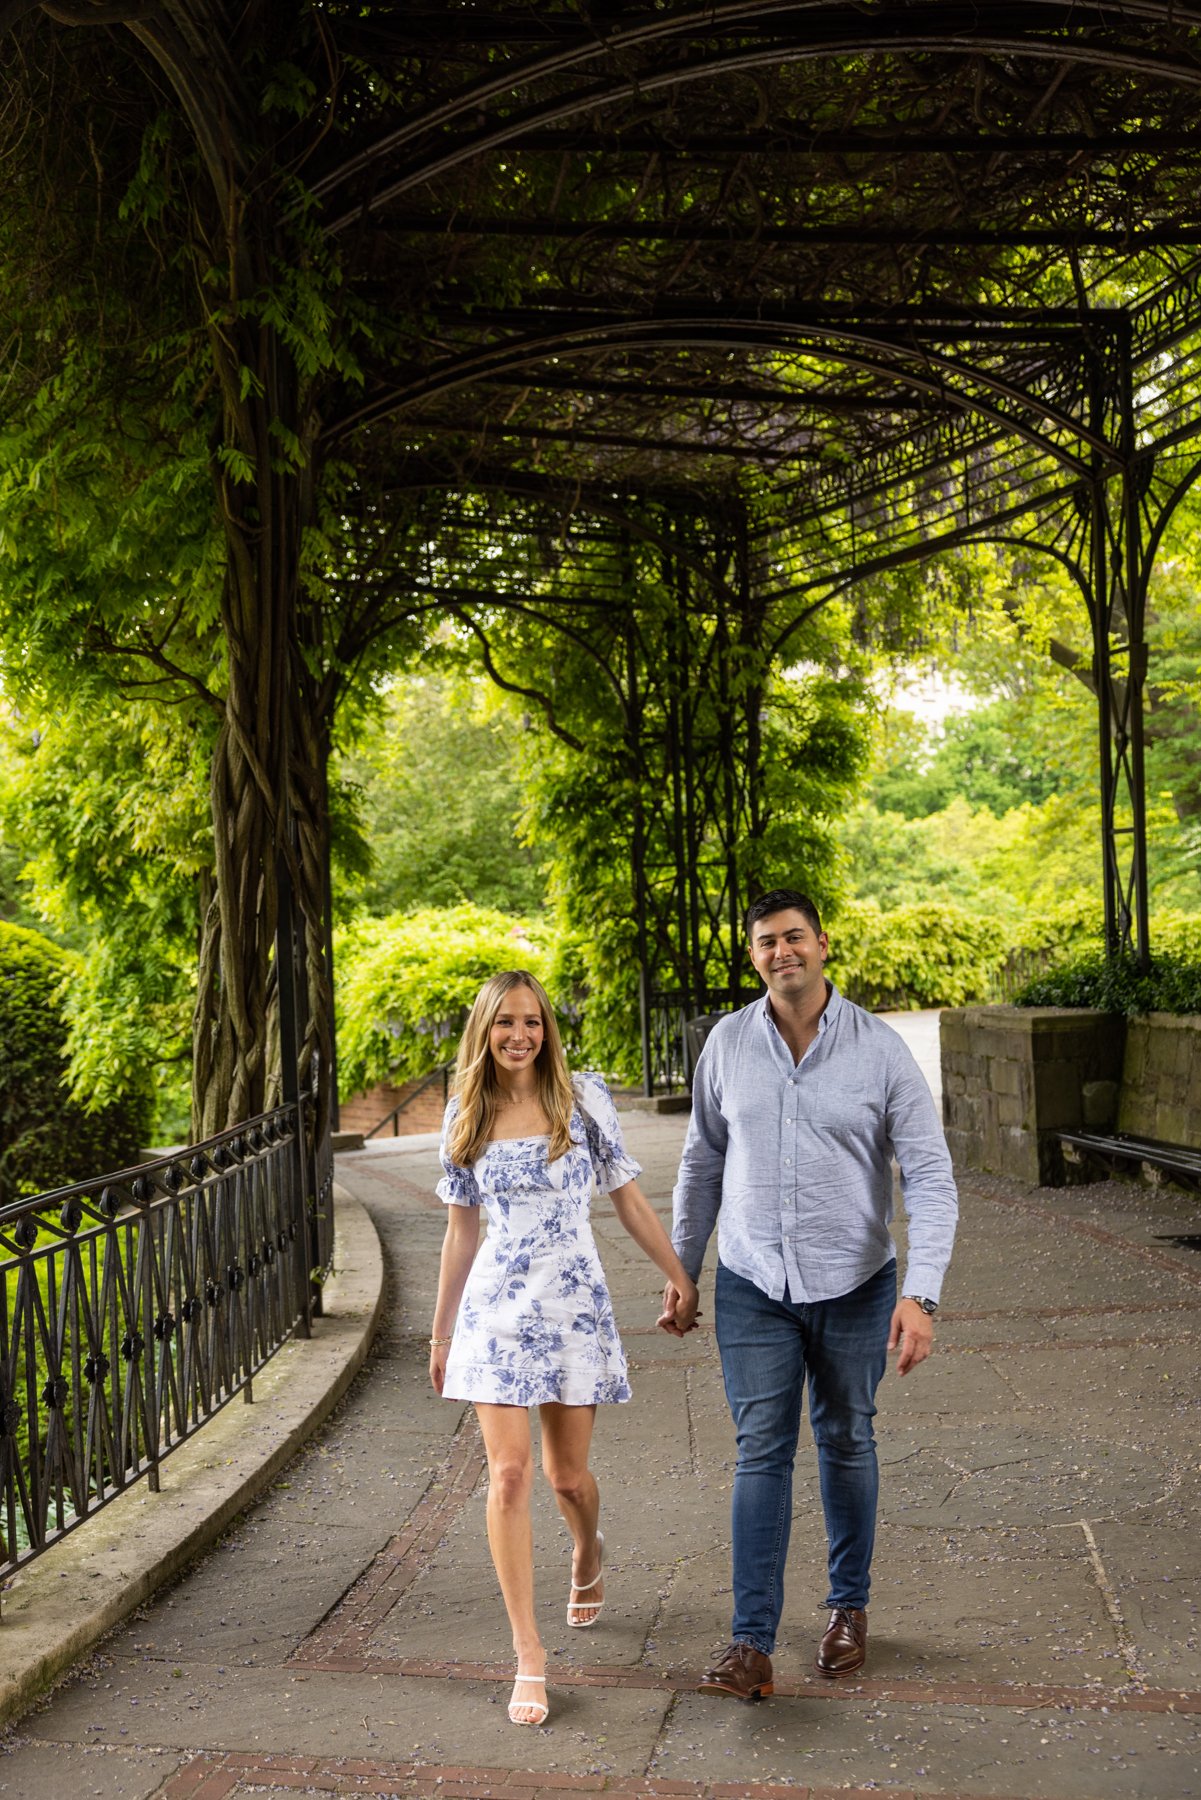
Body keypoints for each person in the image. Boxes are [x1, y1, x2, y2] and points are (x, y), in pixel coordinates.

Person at [661, 889, 958, 1701]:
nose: (780, 951)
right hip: (752, 1282)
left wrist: (919, 1296)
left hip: (856, 1284)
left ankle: (846, 1609)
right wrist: (682, 1267)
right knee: (760, 1449)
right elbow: (700, 1163)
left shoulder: (881, 1052)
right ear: (753, 955)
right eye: (765, 942)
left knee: (844, 1438)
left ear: (822, 945)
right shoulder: (726, 1043)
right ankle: (750, 1643)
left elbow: (929, 1176)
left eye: (793, 937)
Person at [429, 969, 700, 1727]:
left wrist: (678, 1276)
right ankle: (528, 1654)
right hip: (494, 1316)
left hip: (573, 1305)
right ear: (484, 1030)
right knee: (508, 1477)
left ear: (547, 1029)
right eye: (505, 1023)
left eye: (534, 1022)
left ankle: (588, 1550)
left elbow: (628, 1197)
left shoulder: (581, 1102)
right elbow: (460, 1232)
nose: (521, 1035)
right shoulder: (464, 1114)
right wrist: (441, 1330)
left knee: (566, 1479)